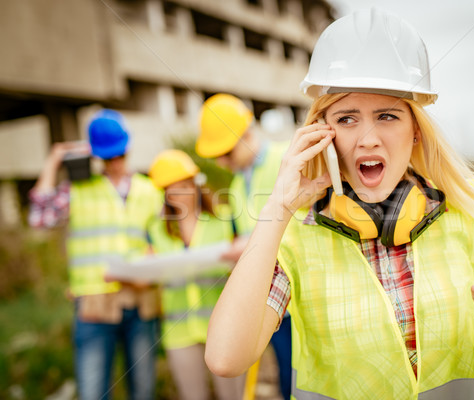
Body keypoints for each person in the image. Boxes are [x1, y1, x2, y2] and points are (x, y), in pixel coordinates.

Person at [204, 8, 474, 399]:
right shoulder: (297, 235)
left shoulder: (469, 213)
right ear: (321, 134)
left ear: (415, 130)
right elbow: (226, 358)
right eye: (347, 119)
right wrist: (277, 208)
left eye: (386, 116)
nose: (367, 139)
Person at [28, 109, 164, 400]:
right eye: (108, 157)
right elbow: (39, 218)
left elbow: (164, 240)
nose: (115, 163)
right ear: (95, 156)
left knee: (143, 390)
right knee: (93, 391)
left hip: (140, 302)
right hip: (93, 306)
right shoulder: (79, 189)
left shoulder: (148, 189)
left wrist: (154, 256)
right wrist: (54, 160)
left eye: (120, 156)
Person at [196, 93, 292, 400]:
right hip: (265, 300)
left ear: (247, 134)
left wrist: (249, 245)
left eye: (226, 152)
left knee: (301, 378)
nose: (221, 161)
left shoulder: (284, 160)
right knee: (286, 378)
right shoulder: (238, 184)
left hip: (295, 295)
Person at [147, 149, 246, 400]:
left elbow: (244, 267)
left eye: (184, 185)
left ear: (195, 184)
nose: (179, 193)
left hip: (222, 326)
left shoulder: (223, 219)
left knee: (232, 395)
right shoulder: (157, 230)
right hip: (179, 330)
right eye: (172, 188)